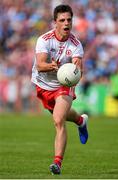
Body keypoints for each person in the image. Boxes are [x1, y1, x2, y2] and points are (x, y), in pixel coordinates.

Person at [31, 4, 89, 175]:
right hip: (43, 85)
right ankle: (81, 121)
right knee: (61, 114)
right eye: (62, 20)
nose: (66, 23)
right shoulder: (45, 39)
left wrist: (76, 69)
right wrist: (51, 66)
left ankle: (57, 163)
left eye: (69, 20)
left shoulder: (76, 45)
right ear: (55, 22)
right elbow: (40, 66)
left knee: (58, 120)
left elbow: (79, 66)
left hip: (64, 84)